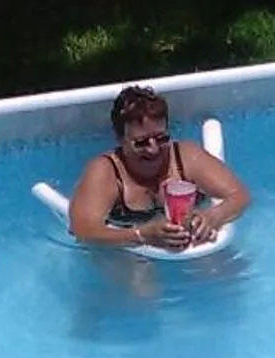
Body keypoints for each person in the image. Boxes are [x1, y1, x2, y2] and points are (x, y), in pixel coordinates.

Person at [67, 84, 251, 253]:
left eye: (161, 138)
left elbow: (239, 195)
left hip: (190, 248)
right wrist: (141, 235)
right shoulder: (106, 171)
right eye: (141, 142)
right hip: (127, 252)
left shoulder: (186, 156)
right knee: (138, 281)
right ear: (121, 139)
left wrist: (212, 217)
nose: (153, 149)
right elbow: (83, 231)